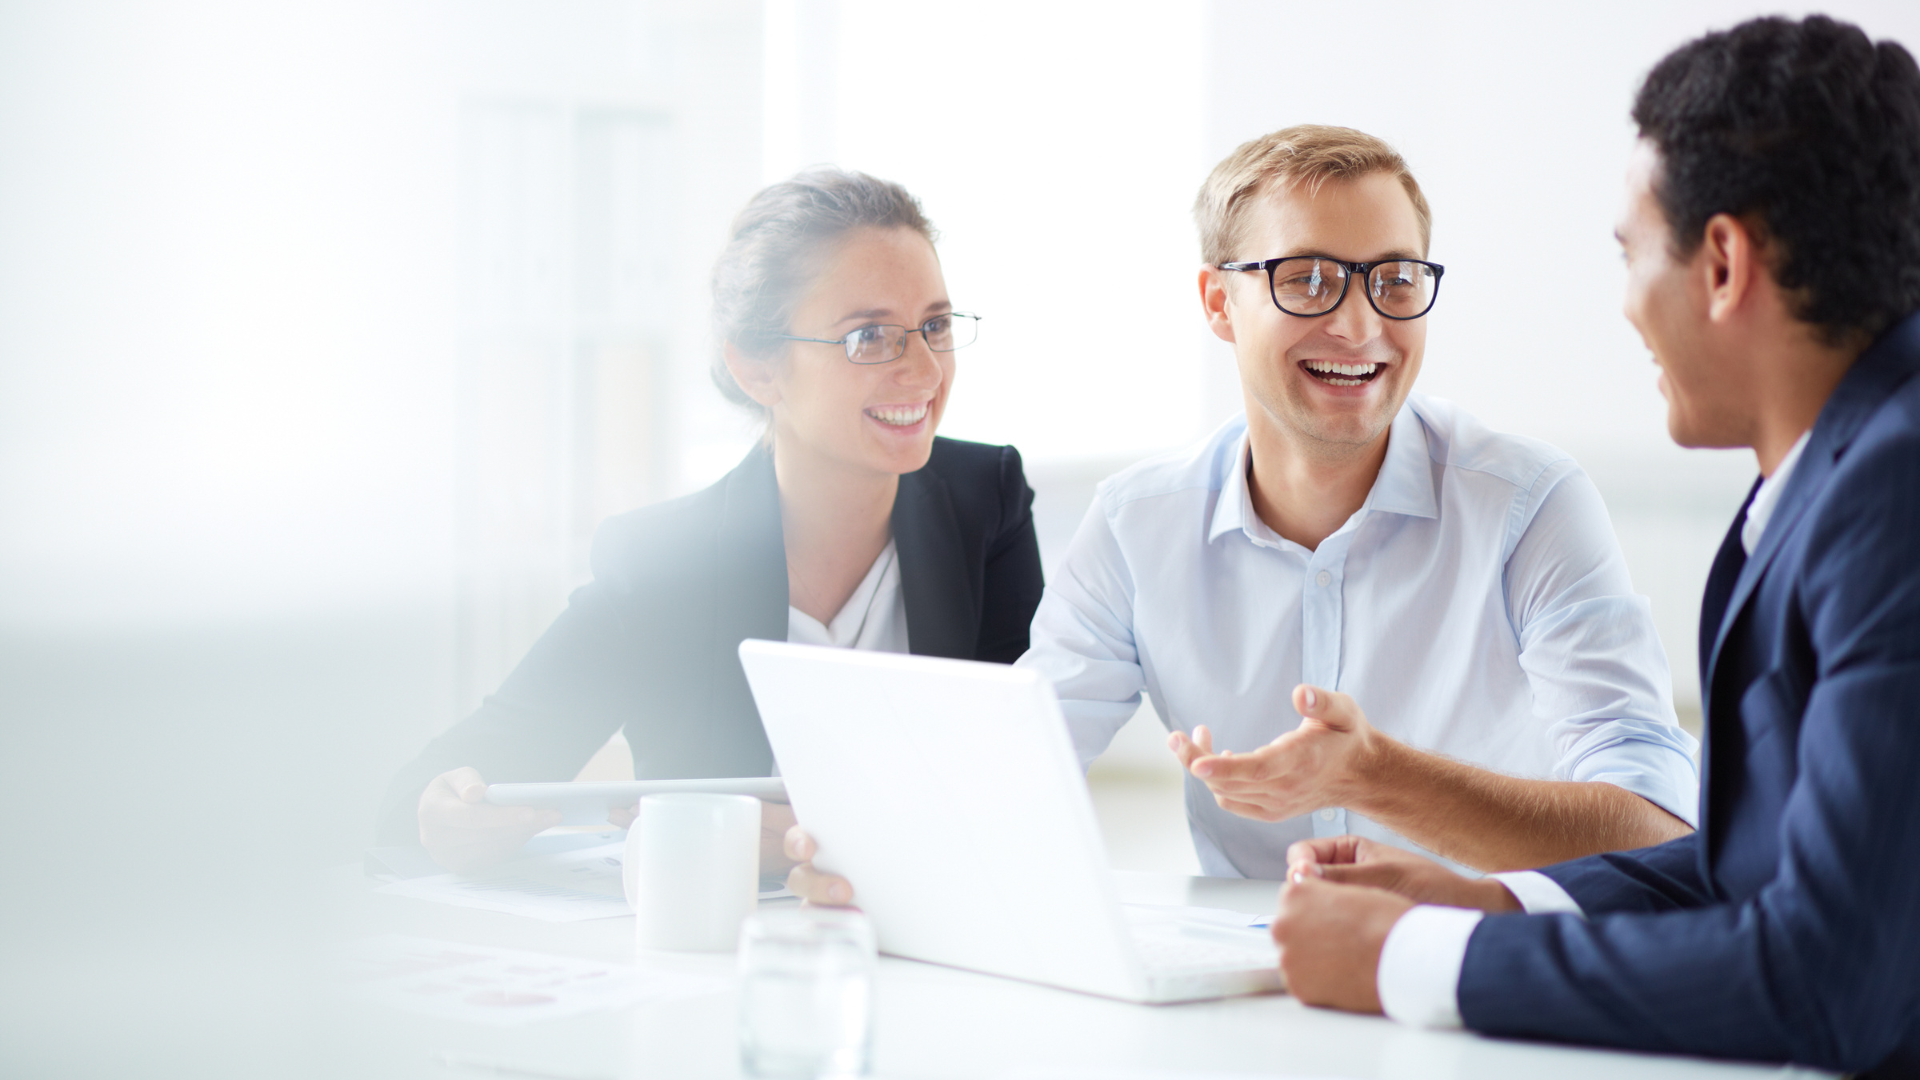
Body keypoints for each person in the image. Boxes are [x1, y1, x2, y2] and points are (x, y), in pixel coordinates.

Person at [1268, 16, 1920, 1077]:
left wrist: (1417, 961)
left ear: (1721, 263)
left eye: (1630, 255)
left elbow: (1830, 975)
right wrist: (1495, 902)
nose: (1622, 308)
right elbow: (1773, 868)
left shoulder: (1893, 493)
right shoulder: (1846, 466)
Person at [1025, 125, 1696, 879]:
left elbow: (1657, 829)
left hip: (1477, 965)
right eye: (1307, 279)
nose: (1358, 325)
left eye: (1395, 279)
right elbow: (1012, 772)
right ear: (1219, 302)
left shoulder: (1529, 507)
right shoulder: (1134, 525)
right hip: (1242, 977)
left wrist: (1373, 775)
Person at [377, 169, 1044, 881]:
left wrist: (836, 835)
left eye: (935, 326)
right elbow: (447, 780)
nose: (923, 370)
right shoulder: (665, 565)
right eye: (869, 336)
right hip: (719, 955)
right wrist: (440, 811)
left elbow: (1023, 788)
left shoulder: (984, 503)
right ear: (759, 371)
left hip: (930, 946)